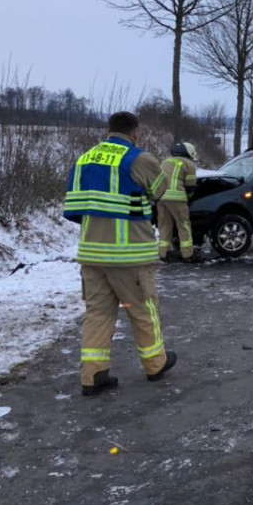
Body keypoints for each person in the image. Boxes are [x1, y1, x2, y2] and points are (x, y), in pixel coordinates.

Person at [62, 111, 177, 396]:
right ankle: (155, 364)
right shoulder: (138, 158)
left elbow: (74, 209)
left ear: (109, 130)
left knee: (98, 314)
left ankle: (94, 375)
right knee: (142, 310)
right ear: (135, 132)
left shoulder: (85, 159)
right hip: (129, 256)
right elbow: (161, 189)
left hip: (91, 254)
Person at [155, 142, 204, 263]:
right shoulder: (189, 164)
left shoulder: (166, 162)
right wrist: (188, 198)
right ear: (190, 153)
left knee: (164, 226)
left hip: (160, 197)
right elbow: (191, 187)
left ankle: (164, 253)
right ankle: (187, 254)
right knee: (183, 225)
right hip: (177, 198)